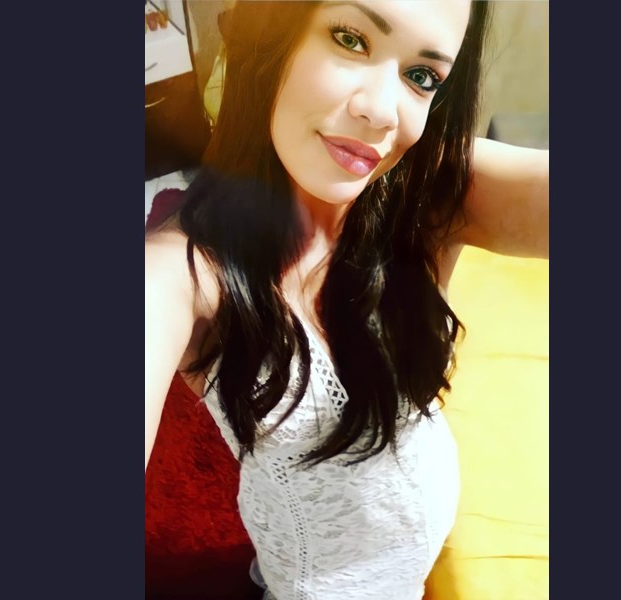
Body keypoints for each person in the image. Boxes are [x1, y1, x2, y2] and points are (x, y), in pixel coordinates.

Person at [145, 1, 548, 598]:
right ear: (273, 32)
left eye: (422, 76)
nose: (382, 112)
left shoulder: (427, 193)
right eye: (350, 38)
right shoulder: (179, 273)